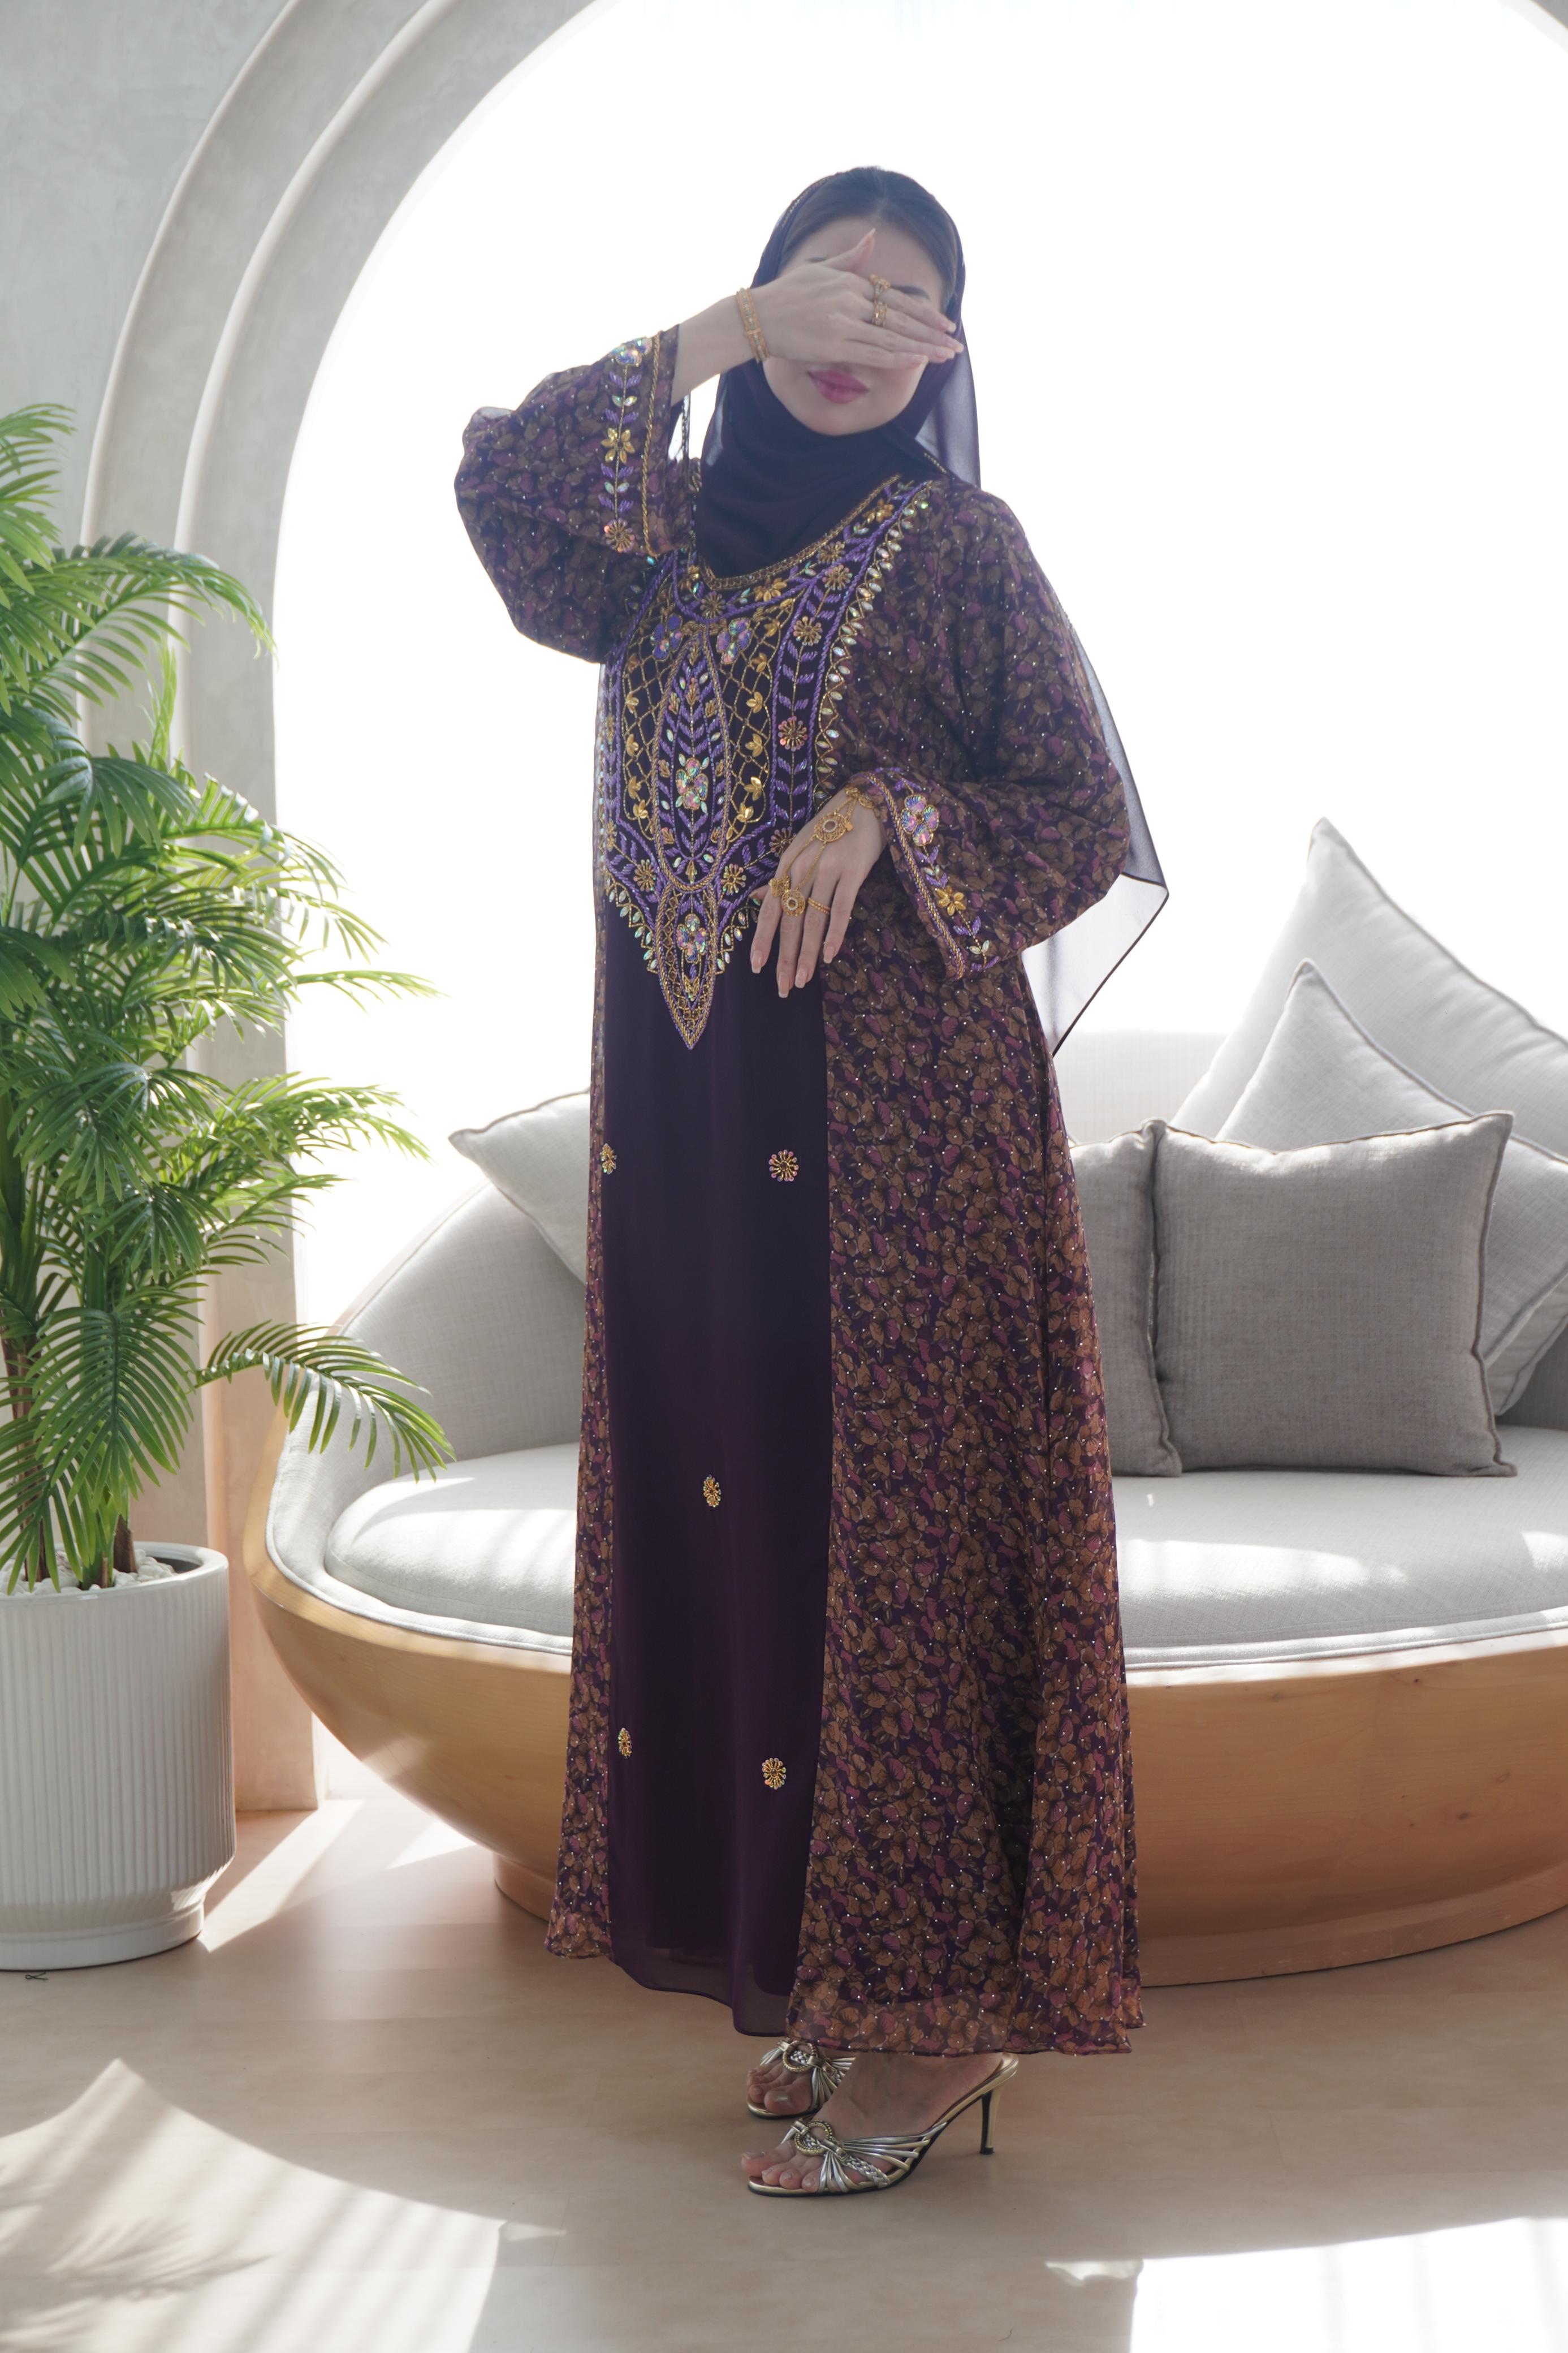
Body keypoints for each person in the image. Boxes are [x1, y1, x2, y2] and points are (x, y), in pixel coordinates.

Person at [456, 166, 1160, 2200]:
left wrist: (888, 809)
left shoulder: (962, 548)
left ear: (952, 348)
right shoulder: (650, 547)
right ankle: (836, 1975)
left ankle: (940, 2027)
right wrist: (709, 337)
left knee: (901, 1550)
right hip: (689, 1139)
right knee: (750, 1528)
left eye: (908, 297)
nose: (864, 323)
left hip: (906, 1153)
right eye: (828, 285)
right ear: (765, 303)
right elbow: (497, 486)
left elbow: (1085, 813)